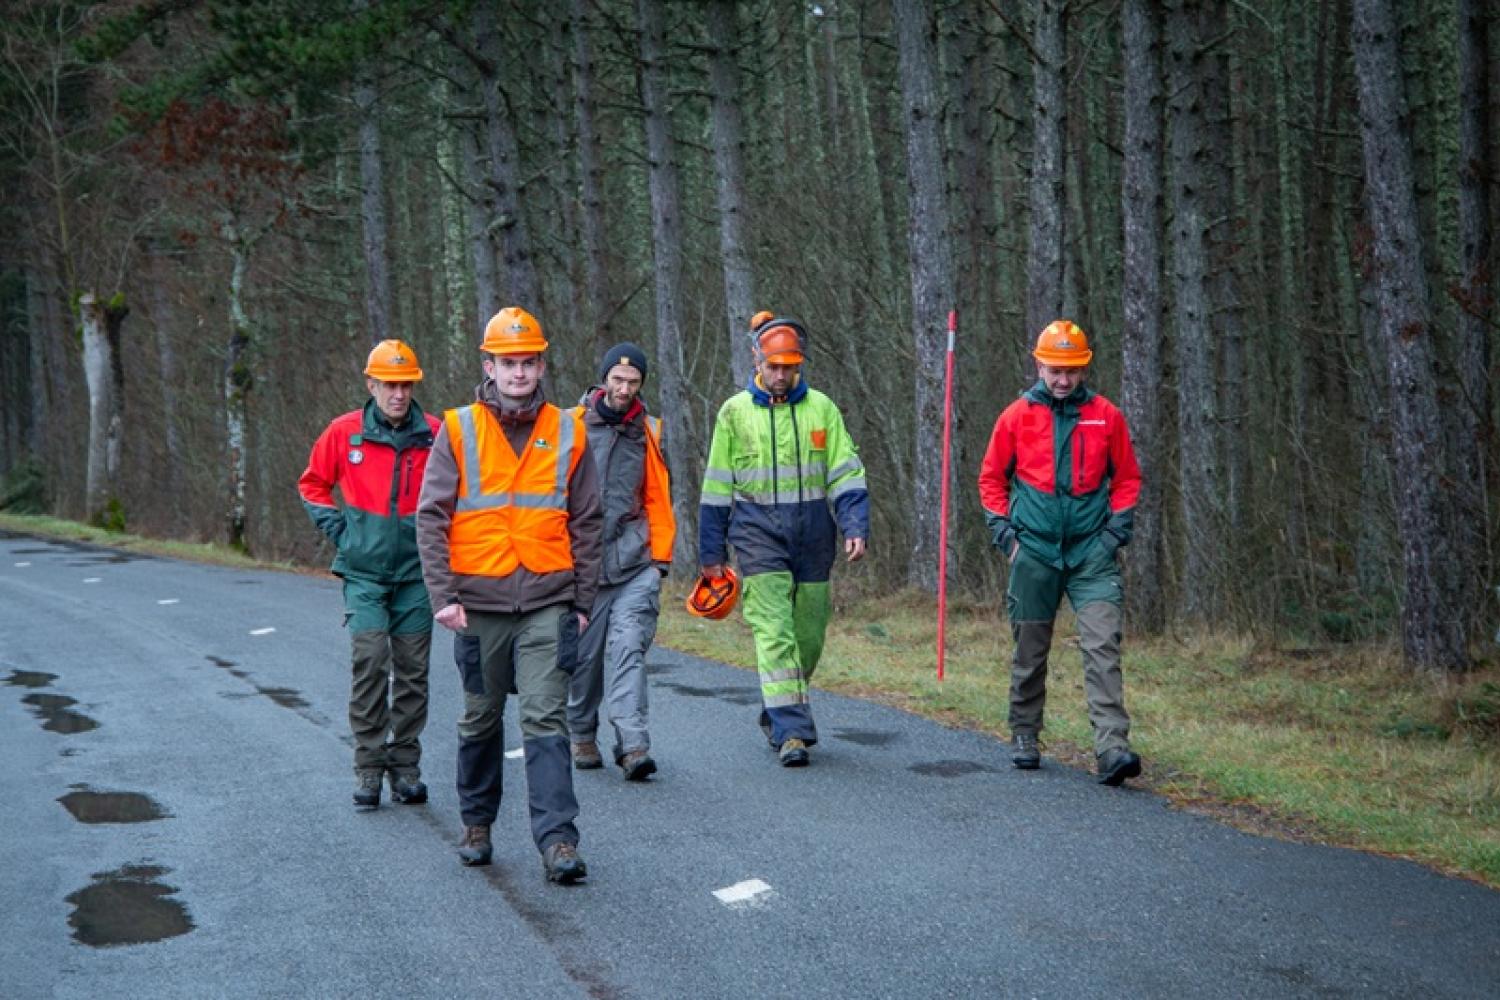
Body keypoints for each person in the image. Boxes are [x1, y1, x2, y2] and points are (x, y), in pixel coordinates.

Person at [416, 307, 603, 884]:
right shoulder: (458, 428)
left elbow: (588, 521)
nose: (518, 372)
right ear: (489, 366)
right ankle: (477, 825)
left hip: (549, 598)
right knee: (480, 717)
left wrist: (582, 601)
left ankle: (558, 840)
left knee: (546, 717)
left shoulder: (569, 430)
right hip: (478, 605)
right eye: (508, 362)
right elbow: (431, 516)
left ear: (542, 365)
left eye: (527, 362)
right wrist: (443, 596)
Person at [698, 311, 869, 767]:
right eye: (773, 366)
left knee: (808, 637)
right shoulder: (734, 413)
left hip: (814, 534)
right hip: (757, 533)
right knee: (774, 632)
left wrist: (855, 525)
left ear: (799, 364)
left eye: (788, 367)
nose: (780, 375)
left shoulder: (822, 409)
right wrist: (711, 553)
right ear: (757, 361)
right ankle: (793, 732)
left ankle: (777, 709)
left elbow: (846, 471)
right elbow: (716, 487)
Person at [978, 319, 1144, 786]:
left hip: (1092, 554)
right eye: (1055, 370)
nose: (1063, 380)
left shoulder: (1106, 416)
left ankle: (1112, 747)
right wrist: (1006, 536)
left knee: (1102, 646)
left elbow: (1127, 479)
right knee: (1029, 650)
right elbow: (991, 479)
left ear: (1084, 368)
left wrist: (1113, 535)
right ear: (1039, 366)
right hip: (1033, 551)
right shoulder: (1016, 416)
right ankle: (1025, 732)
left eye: (1071, 370)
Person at [298, 339, 439, 809]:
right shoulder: (345, 433)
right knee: (371, 660)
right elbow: (312, 484)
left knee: (413, 672)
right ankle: (369, 766)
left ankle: (406, 767)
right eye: (389, 385)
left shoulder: (435, 435)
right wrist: (343, 533)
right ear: (371, 384)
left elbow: (459, 495)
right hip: (364, 574)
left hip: (417, 575)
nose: (398, 394)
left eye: (405, 385)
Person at [566, 343, 676, 780]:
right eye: (618, 379)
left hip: (634, 562)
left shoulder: (649, 431)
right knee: (584, 660)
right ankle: (581, 733)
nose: (625, 389)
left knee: (629, 647)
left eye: (633, 382)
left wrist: (659, 560)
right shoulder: (569, 426)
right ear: (604, 379)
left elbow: (658, 497)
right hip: (581, 566)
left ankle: (633, 745)